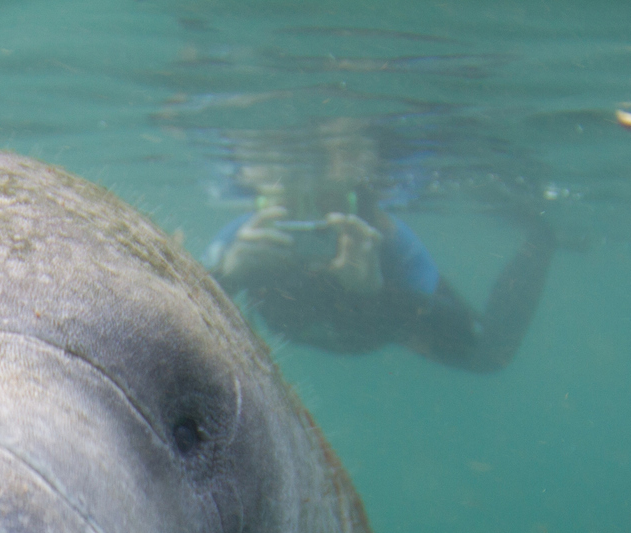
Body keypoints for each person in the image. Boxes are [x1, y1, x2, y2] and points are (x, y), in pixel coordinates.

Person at [204, 124, 556, 373]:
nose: (311, 224)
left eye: (330, 204)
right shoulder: (244, 239)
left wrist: (377, 294)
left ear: (357, 198)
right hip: (339, 333)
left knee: (492, 357)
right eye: (289, 209)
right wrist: (228, 276)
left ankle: (541, 239)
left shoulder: (384, 241)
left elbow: (469, 339)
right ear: (263, 201)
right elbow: (176, 311)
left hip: (367, 327)